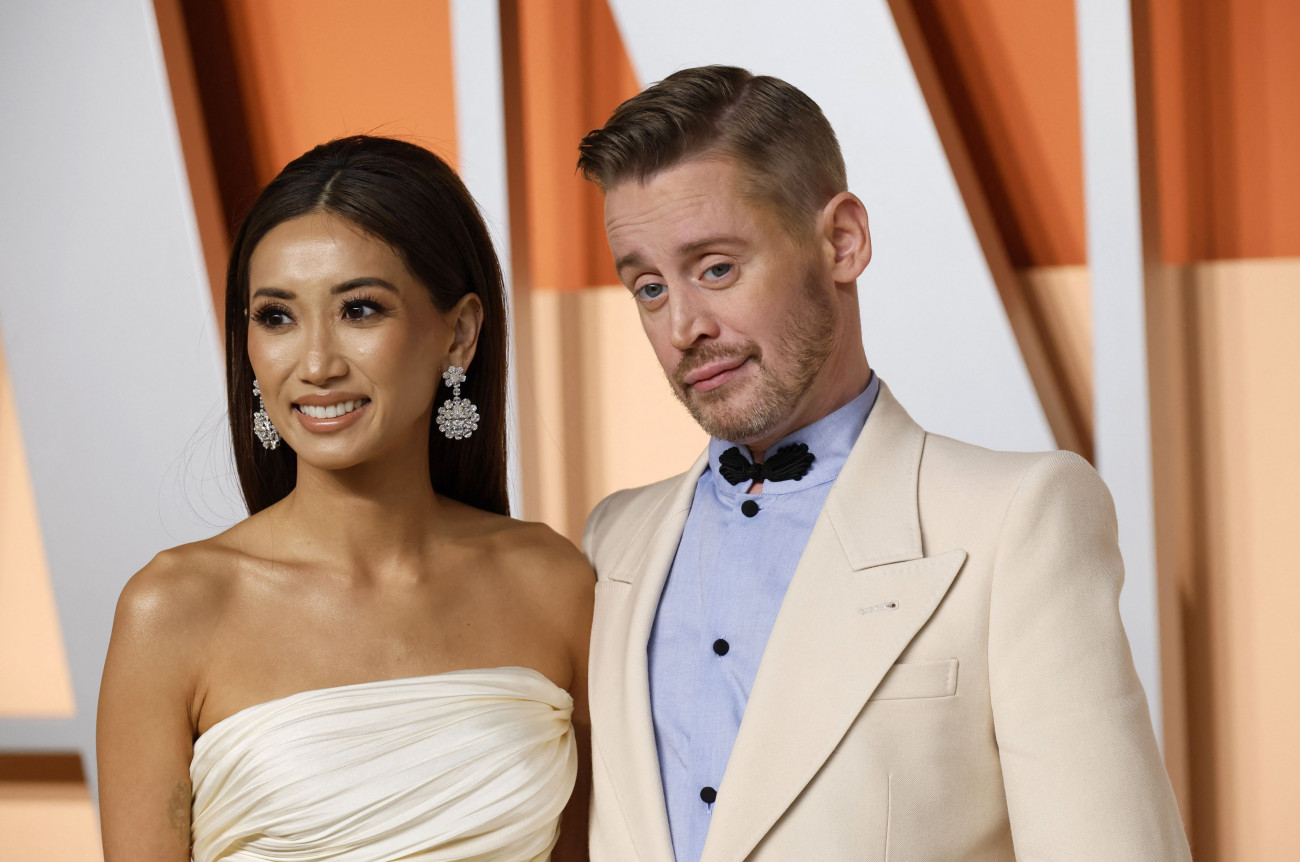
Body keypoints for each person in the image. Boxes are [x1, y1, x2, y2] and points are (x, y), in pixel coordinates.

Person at [576, 66, 1190, 861]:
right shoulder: (612, 540)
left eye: (717, 268)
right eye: (650, 288)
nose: (683, 327)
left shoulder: (1016, 519)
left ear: (842, 240)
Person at [97, 136, 592, 862]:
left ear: (459, 334)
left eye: (360, 310)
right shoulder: (173, 610)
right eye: (277, 317)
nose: (317, 364)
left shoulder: (554, 583)